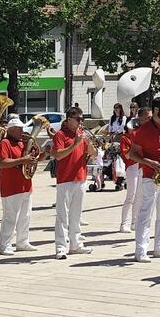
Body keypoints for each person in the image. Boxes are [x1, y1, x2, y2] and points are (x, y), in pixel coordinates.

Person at [130, 98, 160, 262]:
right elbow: (132, 154)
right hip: (151, 176)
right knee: (146, 214)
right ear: (156, 110)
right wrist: (148, 162)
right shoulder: (143, 130)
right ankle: (141, 250)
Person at [51, 106, 95, 260]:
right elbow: (57, 155)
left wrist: (89, 145)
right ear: (69, 119)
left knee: (76, 215)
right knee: (63, 216)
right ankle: (61, 247)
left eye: (82, 119)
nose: (80, 122)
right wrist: (75, 144)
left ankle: (75, 245)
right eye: (78, 119)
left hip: (80, 178)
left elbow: (93, 154)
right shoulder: (60, 135)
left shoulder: (80, 134)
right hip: (65, 180)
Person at [0, 117, 39, 254]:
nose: (22, 132)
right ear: (11, 130)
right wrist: (23, 159)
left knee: (25, 216)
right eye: (19, 129)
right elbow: (2, 163)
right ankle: (5, 245)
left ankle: (22, 241)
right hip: (11, 186)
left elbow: (30, 160)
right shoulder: (5, 143)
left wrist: (43, 155)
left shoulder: (22, 143)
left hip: (25, 185)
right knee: (10, 217)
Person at [119, 107, 151, 233]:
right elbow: (127, 155)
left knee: (139, 197)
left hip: (140, 166)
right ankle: (123, 223)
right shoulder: (125, 138)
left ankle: (134, 222)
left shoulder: (138, 135)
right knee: (130, 196)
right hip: (132, 168)